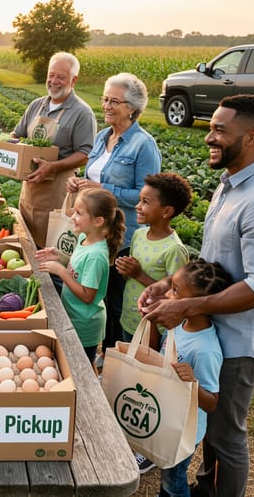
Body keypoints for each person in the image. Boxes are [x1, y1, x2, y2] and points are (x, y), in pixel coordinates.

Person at [139, 94, 254, 497]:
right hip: (212, 326)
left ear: (252, 136)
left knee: (226, 435)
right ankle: (205, 488)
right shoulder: (230, 185)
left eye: (218, 130)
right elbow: (213, 262)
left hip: (240, 337)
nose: (209, 136)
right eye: (210, 127)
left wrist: (187, 305)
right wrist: (169, 285)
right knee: (206, 427)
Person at [66, 72, 162, 361]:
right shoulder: (102, 137)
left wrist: (103, 188)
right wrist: (78, 183)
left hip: (123, 238)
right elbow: (91, 178)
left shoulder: (143, 145)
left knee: (115, 303)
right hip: (94, 236)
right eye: (105, 99)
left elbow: (148, 197)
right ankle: (98, 354)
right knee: (96, 297)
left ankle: (112, 359)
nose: (106, 105)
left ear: (132, 107)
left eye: (114, 101)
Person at [0, 51, 96, 249]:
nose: (54, 81)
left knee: (51, 249)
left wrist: (52, 167)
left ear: (73, 80)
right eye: (51, 75)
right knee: (26, 242)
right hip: (30, 189)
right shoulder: (37, 105)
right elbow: (16, 136)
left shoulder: (81, 112)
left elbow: (85, 154)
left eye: (61, 77)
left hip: (59, 190)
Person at [153, 259, 232, 497]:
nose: (168, 293)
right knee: (167, 471)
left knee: (174, 479)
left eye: (175, 291)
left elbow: (211, 403)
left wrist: (192, 382)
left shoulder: (205, 348)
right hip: (168, 417)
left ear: (199, 304)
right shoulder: (180, 324)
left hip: (185, 430)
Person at [35, 188, 125, 374]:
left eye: (78, 213)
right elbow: (76, 267)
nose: (73, 217)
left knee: (83, 365)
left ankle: (95, 396)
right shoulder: (85, 238)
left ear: (98, 221)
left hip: (85, 322)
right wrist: (58, 256)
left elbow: (87, 296)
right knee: (79, 362)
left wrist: (60, 272)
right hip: (75, 314)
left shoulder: (96, 256)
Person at [116, 172, 191, 345]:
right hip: (129, 318)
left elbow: (175, 296)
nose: (137, 206)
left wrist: (138, 274)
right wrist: (125, 270)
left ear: (166, 211)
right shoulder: (139, 234)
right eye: (140, 200)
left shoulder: (174, 249)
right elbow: (130, 276)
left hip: (153, 327)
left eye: (145, 202)